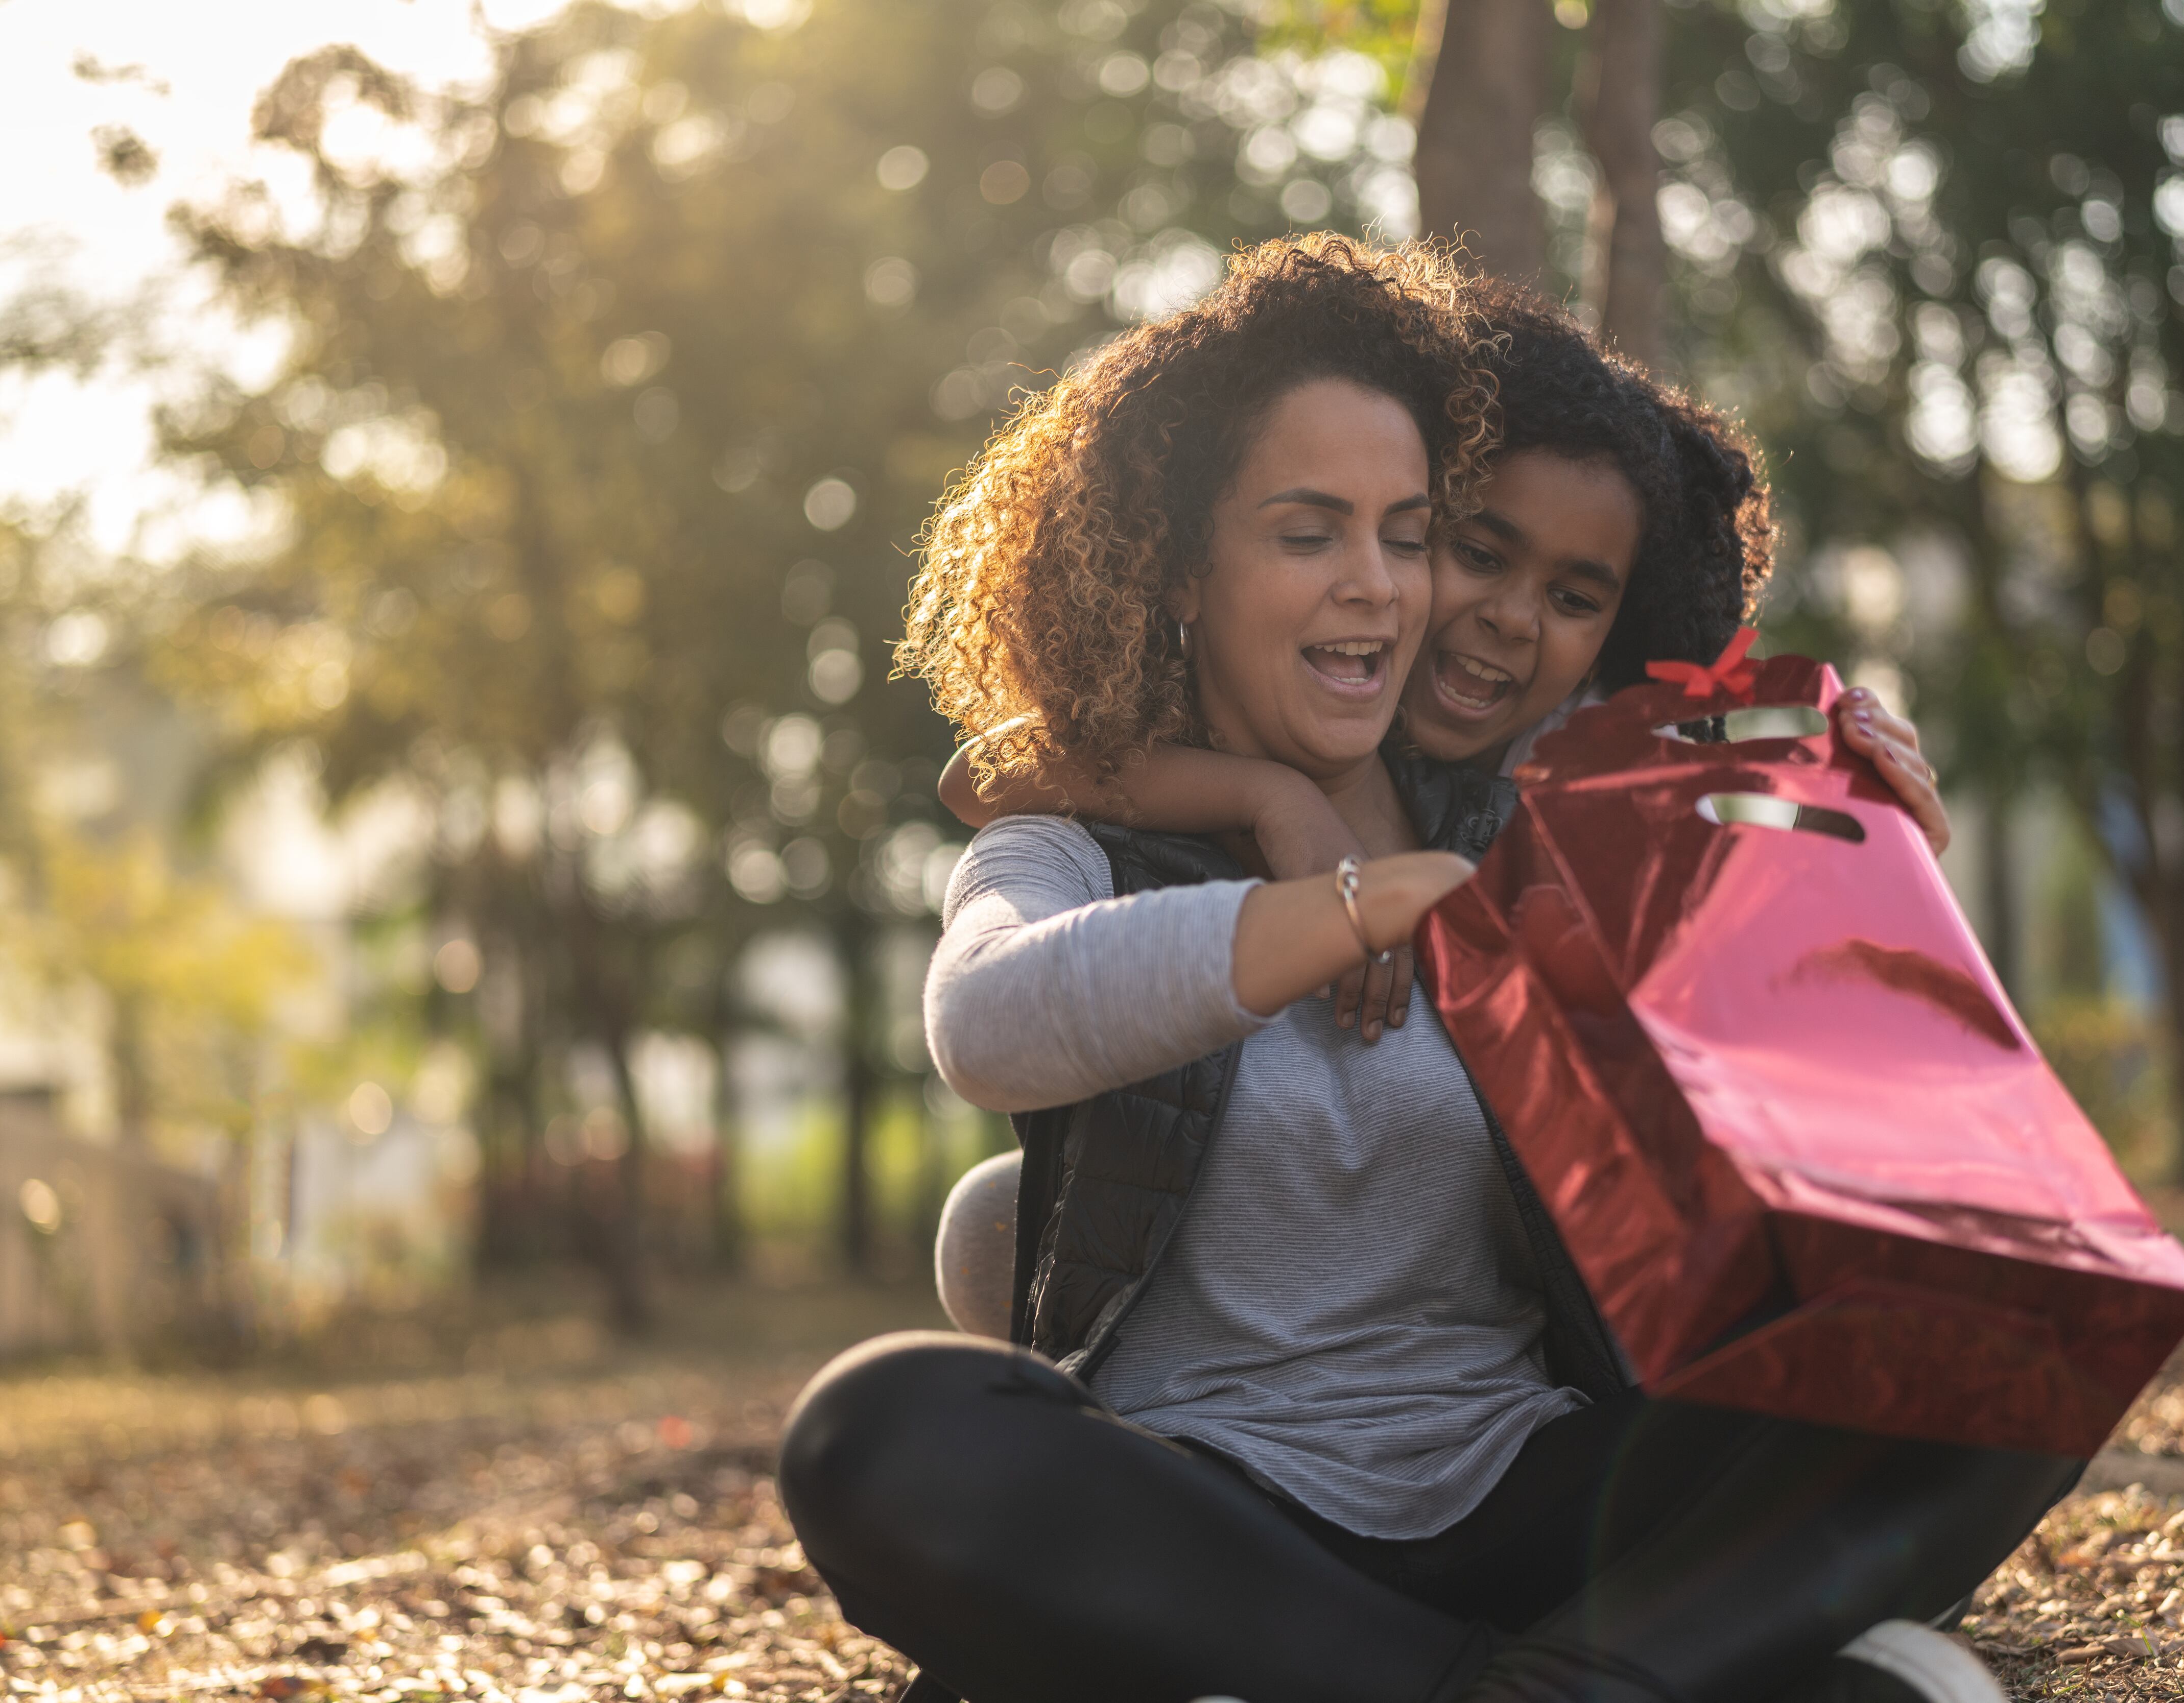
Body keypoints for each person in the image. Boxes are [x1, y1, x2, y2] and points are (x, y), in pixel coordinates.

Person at [779, 234, 2073, 1703]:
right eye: (1314, 533)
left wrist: (1854, 823)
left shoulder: (1542, 811)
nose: (1383, 589)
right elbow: (990, 1014)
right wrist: (1324, 882)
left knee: (2013, 1309)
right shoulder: (1078, 839)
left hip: (1523, 1486)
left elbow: (1803, 1078)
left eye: (1406, 535)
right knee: (878, 1430)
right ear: (1180, 562)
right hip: (1220, 1514)